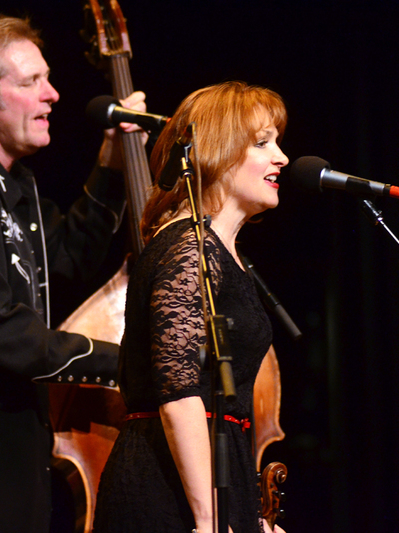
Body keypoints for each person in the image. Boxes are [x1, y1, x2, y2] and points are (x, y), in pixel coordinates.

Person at [0, 14, 146, 533]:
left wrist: (113, 162)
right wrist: (127, 361)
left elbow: (64, 262)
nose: (54, 95)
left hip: (8, 460)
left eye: (46, 77)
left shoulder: (9, 181)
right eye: (30, 82)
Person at [92, 81, 289, 533]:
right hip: (166, 493)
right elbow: (179, 391)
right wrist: (210, 519)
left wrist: (248, 515)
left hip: (209, 486)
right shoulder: (187, 248)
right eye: (262, 143)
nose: (281, 156)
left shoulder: (220, 253)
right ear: (217, 152)